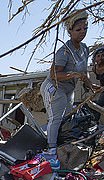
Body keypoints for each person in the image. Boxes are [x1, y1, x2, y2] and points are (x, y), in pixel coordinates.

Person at [40, 10, 93, 166]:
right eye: (78, 30)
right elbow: (54, 74)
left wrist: (90, 85)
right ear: (70, 31)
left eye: (85, 28)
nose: (82, 32)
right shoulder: (64, 51)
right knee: (56, 118)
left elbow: (84, 73)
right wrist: (74, 75)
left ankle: (63, 144)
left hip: (68, 89)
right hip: (54, 87)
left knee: (68, 116)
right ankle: (51, 150)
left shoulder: (84, 48)